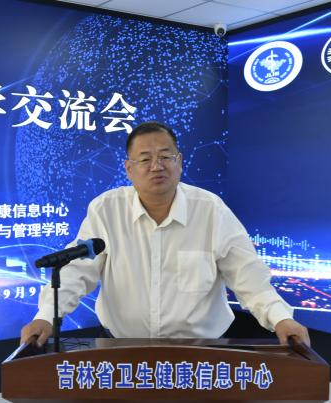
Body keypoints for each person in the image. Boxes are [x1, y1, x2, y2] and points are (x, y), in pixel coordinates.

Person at [21, 122, 310, 347]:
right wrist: (46, 317)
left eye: (165, 156)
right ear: (129, 169)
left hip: (203, 350)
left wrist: (281, 319)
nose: (156, 166)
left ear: (179, 161)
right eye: (145, 159)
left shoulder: (211, 210)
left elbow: (248, 276)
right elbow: (78, 271)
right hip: (123, 347)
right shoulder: (106, 209)